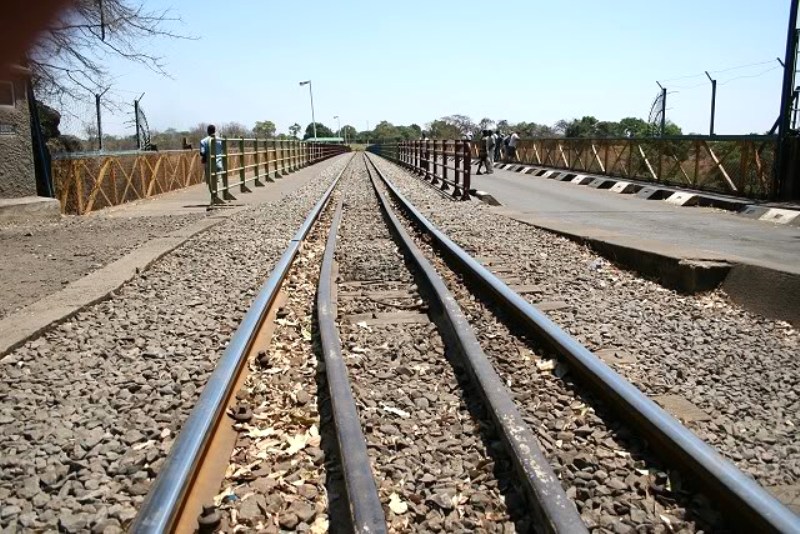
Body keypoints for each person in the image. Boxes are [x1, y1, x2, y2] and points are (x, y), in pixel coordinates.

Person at [199, 124, 223, 202]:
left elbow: (202, 152)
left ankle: (213, 197)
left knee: (210, 181)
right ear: (214, 130)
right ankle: (217, 196)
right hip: (219, 163)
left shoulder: (203, 141)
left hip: (209, 164)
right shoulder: (220, 140)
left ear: (208, 131)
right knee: (217, 180)